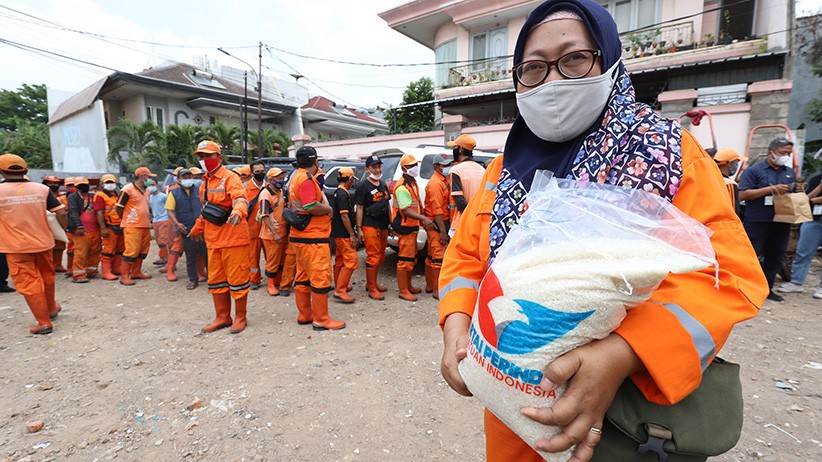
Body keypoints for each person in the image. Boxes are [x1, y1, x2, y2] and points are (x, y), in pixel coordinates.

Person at [437, 2, 768, 460]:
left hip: (620, 424)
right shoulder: (503, 170)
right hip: (513, 416)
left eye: (574, 59)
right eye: (532, 68)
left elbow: (726, 276)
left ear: (609, 59)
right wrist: (456, 324)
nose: (552, 82)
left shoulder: (666, 152)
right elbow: (465, 261)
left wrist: (622, 353)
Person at [189, 140, 251, 334]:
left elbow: (241, 198)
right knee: (216, 281)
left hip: (234, 239)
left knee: (238, 280)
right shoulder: (205, 182)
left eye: (208, 156)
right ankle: (222, 317)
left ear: (219, 158)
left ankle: (240, 317)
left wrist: (238, 211)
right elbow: (207, 210)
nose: (204, 160)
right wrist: (196, 229)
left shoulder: (230, 178)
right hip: (214, 240)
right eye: (201, 156)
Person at [0, 154, 67, 334]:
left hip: (16, 247)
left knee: (29, 282)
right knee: (46, 276)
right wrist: (64, 230)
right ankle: (51, 307)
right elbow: (60, 213)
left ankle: (43, 322)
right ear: (26, 170)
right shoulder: (42, 189)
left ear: (1, 171)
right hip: (44, 243)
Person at [288, 146, 345, 330]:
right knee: (320, 277)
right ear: (315, 162)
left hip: (300, 235)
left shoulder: (295, 177)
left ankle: (305, 314)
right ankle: (321, 319)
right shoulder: (305, 179)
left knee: (304, 276)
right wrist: (328, 209)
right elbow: (310, 205)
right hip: (313, 236)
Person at [738, 137, 798, 302]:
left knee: (775, 256)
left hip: (782, 221)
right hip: (758, 221)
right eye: (782, 153)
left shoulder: (789, 172)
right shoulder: (754, 171)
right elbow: (743, 194)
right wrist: (770, 189)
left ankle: (767, 290)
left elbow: (793, 196)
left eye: (788, 153)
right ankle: (743, 290)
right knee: (751, 257)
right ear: (770, 153)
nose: (785, 156)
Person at [391, 154, 434, 301]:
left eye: (415, 165)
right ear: (404, 168)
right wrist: (424, 219)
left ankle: (408, 286)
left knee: (411, 258)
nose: (415, 168)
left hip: (411, 225)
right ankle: (403, 290)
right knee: (405, 260)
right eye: (411, 166)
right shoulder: (402, 186)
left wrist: (421, 220)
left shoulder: (411, 182)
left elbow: (416, 206)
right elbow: (405, 209)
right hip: (405, 227)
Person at [776, 172, 822, 299]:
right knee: (803, 251)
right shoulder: (816, 179)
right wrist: (819, 188)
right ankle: (796, 282)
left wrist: (816, 200)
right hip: (814, 220)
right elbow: (805, 200)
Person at [355, 154, 391, 300]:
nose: (377, 169)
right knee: (373, 257)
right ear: (367, 169)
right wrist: (359, 228)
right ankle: (371, 288)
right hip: (370, 225)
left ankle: (373, 283)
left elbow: (387, 203)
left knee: (381, 255)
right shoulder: (363, 186)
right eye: (374, 167)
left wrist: (391, 222)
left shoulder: (383, 184)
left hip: (382, 226)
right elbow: (360, 208)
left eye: (379, 166)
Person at [166, 168, 208, 290]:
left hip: (202, 228)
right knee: (190, 256)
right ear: (178, 180)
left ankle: (213, 279)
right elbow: (170, 209)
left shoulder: (200, 190)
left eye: (189, 177)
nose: (187, 179)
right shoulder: (174, 193)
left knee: (207, 255)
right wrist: (177, 223)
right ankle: (193, 280)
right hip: (186, 228)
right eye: (184, 177)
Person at [116, 166, 156, 285]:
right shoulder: (127, 189)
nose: (150, 179)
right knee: (131, 251)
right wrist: (125, 219)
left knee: (143, 251)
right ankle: (124, 276)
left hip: (145, 225)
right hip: (132, 225)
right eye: (148, 176)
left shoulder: (147, 190)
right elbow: (119, 207)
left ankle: (136, 272)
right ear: (142, 176)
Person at [423, 153, 452, 299]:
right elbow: (437, 210)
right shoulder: (435, 183)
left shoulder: (444, 179)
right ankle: (436, 290)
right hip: (436, 223)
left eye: (449, 164)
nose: (448, 167)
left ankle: (430, 285)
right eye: (445, 165)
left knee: (430, 256)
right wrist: (442, 231)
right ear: (436, 167)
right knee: (438, 259)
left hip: (439, 222)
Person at [258, 168, 288, 296]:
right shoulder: (265, 194)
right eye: (279, 178)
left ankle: (278, 281)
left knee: (281, 259)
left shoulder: (280, 192)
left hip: (282, 231)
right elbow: (264, 216)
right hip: (271, 235)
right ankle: (270, 285)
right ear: (270, 180)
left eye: (282, 178)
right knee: (272, 260)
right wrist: (275, 233)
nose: (281, 181)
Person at [447, 134, 485, 237]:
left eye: (455, 147)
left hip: (462, 224)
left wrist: (469, 217)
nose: (453, 150)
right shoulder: (482, 170)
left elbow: (460, 202)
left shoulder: (456, 170)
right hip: (478, 223)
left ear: (461, 149)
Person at [331, 167, 358, 303]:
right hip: (343, 234)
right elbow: (344, 216)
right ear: (350, 179)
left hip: (337, 232)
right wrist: (352, 235)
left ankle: (340, 285)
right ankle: (340, 290)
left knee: (340, 260)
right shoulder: (342, 194)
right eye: (352, 179)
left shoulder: (339, 192)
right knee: (351, 261)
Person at [66, 176, 101, 282]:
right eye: (80, 185)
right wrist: (79, 226)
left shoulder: (93, 196)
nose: (83, 187)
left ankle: (91, 271)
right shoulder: (73, 197)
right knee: (80, 252)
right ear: (77, 187)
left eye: (84, 185)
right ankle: (79, 275)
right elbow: (73, 211)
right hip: (81, 230)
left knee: (95, 251)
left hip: (94, 229)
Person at [93, 174, 125, 281]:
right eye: (107, 182)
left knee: (120, 249)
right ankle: (106, 272)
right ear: (102, 184)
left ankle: (116, 268)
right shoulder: (100, 196)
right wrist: (103, 228)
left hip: (120, 225)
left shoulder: (116, 195)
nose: (110, 184)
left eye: (112, 182)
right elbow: (99, 213)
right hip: (109, 226)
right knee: (108, 250)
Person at [246, 160, 267, 290]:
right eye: (257, 172)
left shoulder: (270, 186)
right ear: (252, 173)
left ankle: (273, 279)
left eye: (262, 171)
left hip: (267, 228)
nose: (260, 174)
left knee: (271, 256)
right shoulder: (245, 188)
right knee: (252, 257)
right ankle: (254, 280)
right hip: (251, 228)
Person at [147, 182, 174, 279]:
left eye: (152, 185)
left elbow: (170, 208)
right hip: (155, 220)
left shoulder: (163, 196)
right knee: (159, 241)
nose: (151, 187)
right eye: (149, 186)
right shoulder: (150, 197)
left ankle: (169, 262)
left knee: (165, 241)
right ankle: (163, 257)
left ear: (157, 185)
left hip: (164, 219)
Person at [43, 175, 67, 272]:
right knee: (48, 246)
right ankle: (49, 266)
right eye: (50, 183)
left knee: (60, 245)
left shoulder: (63, 196)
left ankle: (58, 265)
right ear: (45, 184)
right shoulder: (42, 195)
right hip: (46, 223)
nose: (54, 185)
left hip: (59, 221)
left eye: (56, 183)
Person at [713, 148, 747, 215]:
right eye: (737, 162)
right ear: (730, 164)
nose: (737, 166)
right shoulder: (730, 184)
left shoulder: (709, 179)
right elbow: (733, 211)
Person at [61, 176, 77, 276]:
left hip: (80, 226)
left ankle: (80, 267)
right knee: (71, 248)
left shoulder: (82, 197)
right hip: (69, 226)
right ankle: (70, 268)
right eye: (69, 186)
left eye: (73, 185)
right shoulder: (62, 198)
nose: (72, 187)